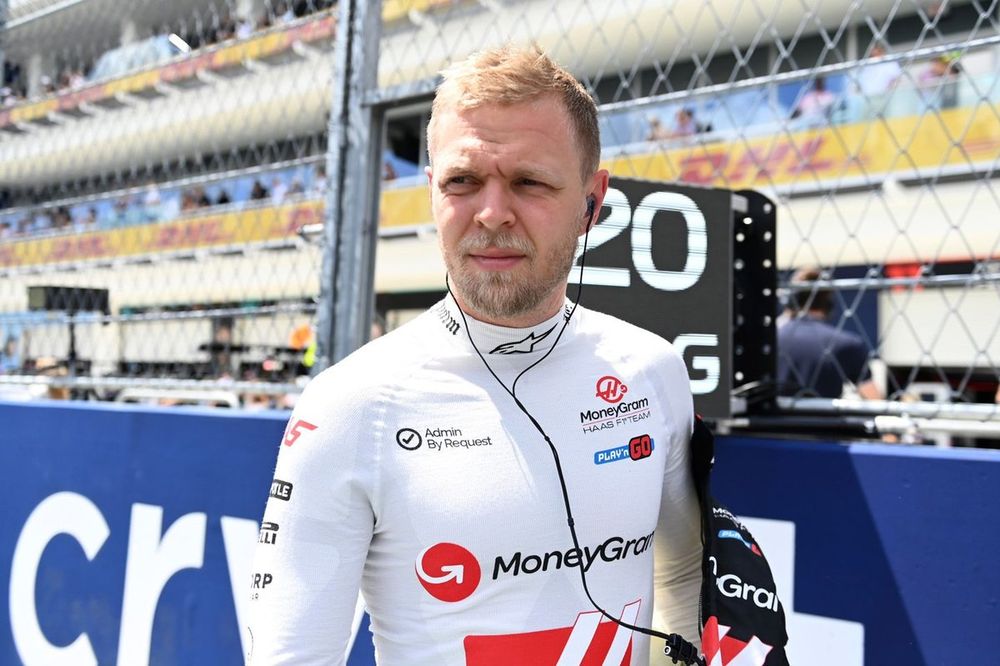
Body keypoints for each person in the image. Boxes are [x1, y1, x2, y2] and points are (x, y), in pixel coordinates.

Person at [247, 45, 702, 664]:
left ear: (592, 202)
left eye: (529, 182)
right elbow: (292, 655)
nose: (491, 213)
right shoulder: (352, 404)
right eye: (463, 181)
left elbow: (680, 578)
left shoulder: (651, 370)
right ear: (432, 190)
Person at [777, 267, 882, 399]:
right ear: (828, 303)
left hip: (772, 418)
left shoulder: (771, 341)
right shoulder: (848, 344)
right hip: (823, 418)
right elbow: (874, 398)